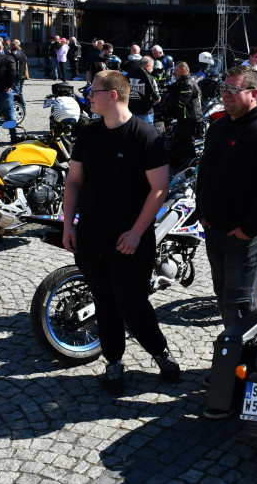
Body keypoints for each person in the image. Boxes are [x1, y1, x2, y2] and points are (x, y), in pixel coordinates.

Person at [59, 70, 179, 395]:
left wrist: (137, 232)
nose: (88, 95)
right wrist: (69, 224)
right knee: (104, 302)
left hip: (131, 241)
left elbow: (159, 188)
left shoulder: (145, 135)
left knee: (132, 303)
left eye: (93, 91)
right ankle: (114, 364)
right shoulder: (88, 133)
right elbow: (73, 181)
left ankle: (161, 353)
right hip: (91, 238)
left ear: (112, 95)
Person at [197, 65, 257, 333]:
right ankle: (235, 361)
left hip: (248, 237)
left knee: (239, 305)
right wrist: (201, 212)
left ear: (254, 93)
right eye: (224, 88)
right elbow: (203, 172)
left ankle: (241, 368)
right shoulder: (217, 127)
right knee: (223, 297)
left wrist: (250, 229)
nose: (226, 94)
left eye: (234, 89)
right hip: (215, 231)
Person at [164, 61, 202, 169]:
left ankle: (192, 166)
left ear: (184, 70)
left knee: (188, 142)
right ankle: (179, 164)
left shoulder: (188, 83)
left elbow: (180, 102)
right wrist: (166, 90)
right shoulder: (181, 81)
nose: (174, 72)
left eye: (176, 70)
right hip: (183, 118)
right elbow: (171, 88)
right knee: (177, 141)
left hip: (189, 118)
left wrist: (169, 97)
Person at [128, 56, 160, 124]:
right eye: (152, 67)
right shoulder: (150, 78)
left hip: (129, 113)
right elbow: (156, 99)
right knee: (146, 134)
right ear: (147, 66)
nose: (152, 69)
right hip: (145, 114)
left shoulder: (127, 76)